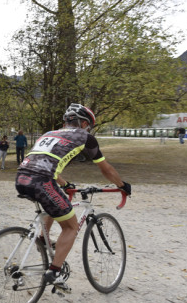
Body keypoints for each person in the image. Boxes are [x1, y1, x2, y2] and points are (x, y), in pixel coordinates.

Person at [15, 104, 131, 291]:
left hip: (21, 177)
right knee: (70, 226)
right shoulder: (85, 138)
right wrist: (122, 186)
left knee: (55, 202)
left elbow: (43, 163)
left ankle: (43, 241)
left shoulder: (48, 134)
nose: (88, 129)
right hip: (42, 181)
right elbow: (106, 169)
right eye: (89, 126)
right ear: (84, 123)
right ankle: (54, 272)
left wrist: (65, 184)